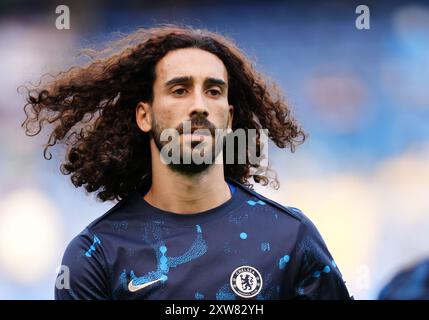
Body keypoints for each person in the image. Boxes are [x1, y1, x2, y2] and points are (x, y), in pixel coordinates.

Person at [22, 25, 351, 300]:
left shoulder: (291, 238)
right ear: (144, 115)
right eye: (179, 90)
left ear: (229, 116)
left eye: (213, 91)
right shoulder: (97, 255)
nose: (199, 106)